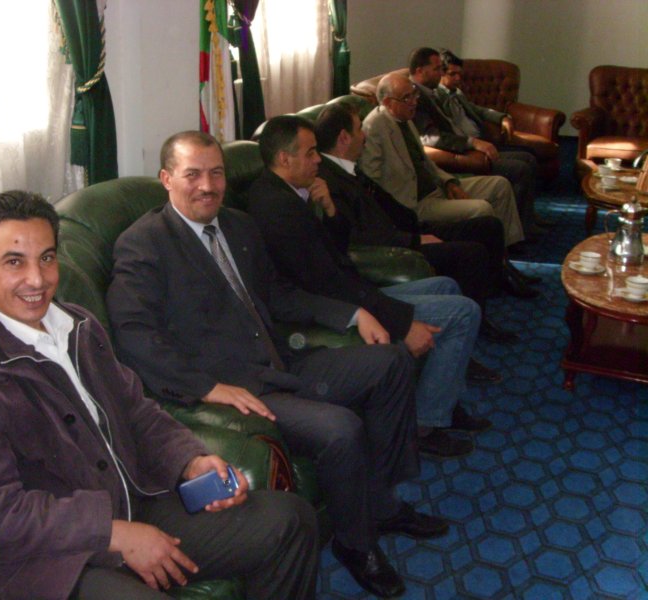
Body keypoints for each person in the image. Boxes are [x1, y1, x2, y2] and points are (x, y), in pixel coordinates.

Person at [0, 191, 319, 600]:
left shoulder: (78, 325)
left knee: (290, 521)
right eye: (14, 262)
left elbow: (136, 411)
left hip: (130, 504)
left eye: (47, 258)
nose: (37, 280)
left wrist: (190, 461)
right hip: (47, 563)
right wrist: (113, 534)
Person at [107, 131, 449, 599]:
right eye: (193, 175)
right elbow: (133, 334)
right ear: (167, 179)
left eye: (216, 173)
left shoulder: (239, 226)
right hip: (238, 388)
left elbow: (278, 294)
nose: (207, 185)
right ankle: (357, 545)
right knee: (341, 428)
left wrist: (352, 314)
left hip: (282, 359)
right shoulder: (143, 244)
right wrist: (206, 387)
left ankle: (382, 503)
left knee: (391, 361)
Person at [247, 113, 493, 451]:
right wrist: (400, 322)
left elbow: (333, 255)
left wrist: (330, 210)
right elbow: (326, 283)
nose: (318, 160)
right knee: (464, 312)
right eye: (310, 153)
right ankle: (426, 422)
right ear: (284, 158)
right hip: (335, 304)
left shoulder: (291, 193)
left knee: (446, 286)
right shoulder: (276, 209)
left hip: (351, 287)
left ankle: (443, 401)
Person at [313, 102, 525, 339]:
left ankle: (494, 286)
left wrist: (419, 227)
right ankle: (475, 326)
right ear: (344, 138)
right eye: (359, 129)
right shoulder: (329, 181)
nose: (364, 136)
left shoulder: (349, 168)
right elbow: (357, 236)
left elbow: (390, 205)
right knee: (472, 254)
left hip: (409, 229)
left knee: (488, 226)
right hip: (394, 248)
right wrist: (414, 240)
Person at [360, 72, 525, 253]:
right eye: (407, 97)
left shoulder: (405, 118)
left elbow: (426, 162)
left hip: (437, 187)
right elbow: (371, 179)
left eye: (414, 93)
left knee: (500, 185)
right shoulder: (374, 127)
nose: (414, 101)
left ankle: (508, 250)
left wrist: (449, 182)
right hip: (416, 202)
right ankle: (495, 261)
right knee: (481, 208)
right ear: (387, 103)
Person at [408, 46, 541, 239]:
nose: (441, 73)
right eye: (438, 69)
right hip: (460, 154)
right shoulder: (418, 96)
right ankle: (520, 231)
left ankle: (524, 224)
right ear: (420, 71)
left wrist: (501, 118)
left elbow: (475, 110)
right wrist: (471, 143)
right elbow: (430, 138)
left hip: (469, 146)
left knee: (528, 157)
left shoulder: (433, 92)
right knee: (520, 168)